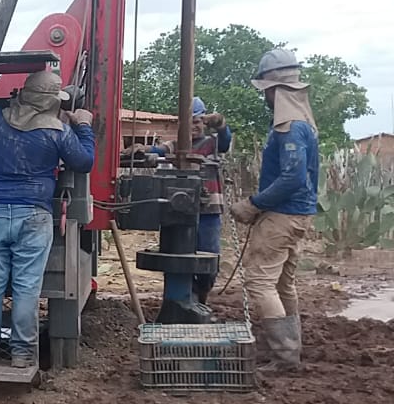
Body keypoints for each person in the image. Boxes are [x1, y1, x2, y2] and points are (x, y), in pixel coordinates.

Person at [0, 70, 96, 369]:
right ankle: (21, 355)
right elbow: (85, 162)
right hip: (34, 215)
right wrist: (83, 125)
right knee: (26, 288)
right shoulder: (58, 131)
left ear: (23, 93)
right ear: (49, 101)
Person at [228, 48, 319, 372]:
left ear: (275, 89)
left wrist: (254, 204)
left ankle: (283, 356)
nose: (264, 96)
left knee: (260, 282)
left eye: (266, 89)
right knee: (283, 283)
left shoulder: (290, 128)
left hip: (283, 215)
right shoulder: (302, 124)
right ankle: (288, 352)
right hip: (298, 214)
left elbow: (292, 177)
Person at [127, 97, 232, 303]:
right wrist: (141, 149)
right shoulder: (175, 144)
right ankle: (184, 296)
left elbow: (225, 139)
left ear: (204, 122)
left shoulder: (213, 143)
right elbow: (158, 150)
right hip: (181, 210)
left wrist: (220, 123)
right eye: (188, 122)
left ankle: (202, 292)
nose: (193, 126)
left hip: (208, 210)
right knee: (178, 254)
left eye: (197, 121)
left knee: (208, 255)